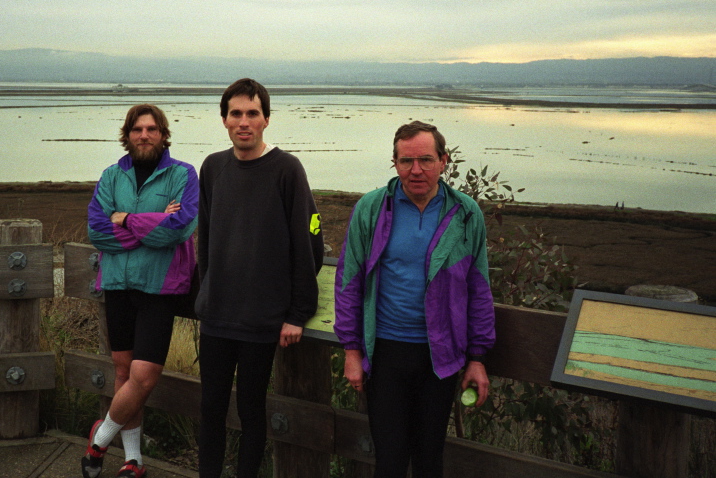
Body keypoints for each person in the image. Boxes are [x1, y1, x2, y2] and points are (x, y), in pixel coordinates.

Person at [334, 120, 495, 478]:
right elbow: (348, 282)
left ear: (444, 161)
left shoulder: (466, 214)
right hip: (386, 353)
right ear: (394, 162)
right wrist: (351, 350)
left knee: (429, 459)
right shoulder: (371, 209)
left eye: (425, 160)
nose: (416, 170)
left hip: (440, 356)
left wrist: (477, 358)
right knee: (389, 461)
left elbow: (479, 289)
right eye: (406, 161)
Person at [195, 78, 324, 478]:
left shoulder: (287, 169)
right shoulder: (212, 167)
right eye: (235, 113)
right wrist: (205, 293)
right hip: (217, 316)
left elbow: (310, 244)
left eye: (252, 113)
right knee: (210, 408)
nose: (244, 122)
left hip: (262, 320)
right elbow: (205, 239)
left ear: (266, 119)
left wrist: (298, 313)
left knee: (252, 410)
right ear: (224, 119)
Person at [81, 104, 199, 478]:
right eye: (137, 129)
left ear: (163, 135)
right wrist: (153, 224)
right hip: (117, 284)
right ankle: (134, 460)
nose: (144, 135)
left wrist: (127, 219)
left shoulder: (183, 174)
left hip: (160, 287)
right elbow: (97, 231)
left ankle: (98, 441)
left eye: (151, 129)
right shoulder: (111, 176)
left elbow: (179, 229)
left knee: (144, 376)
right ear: (128, 135)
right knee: (123, 373)